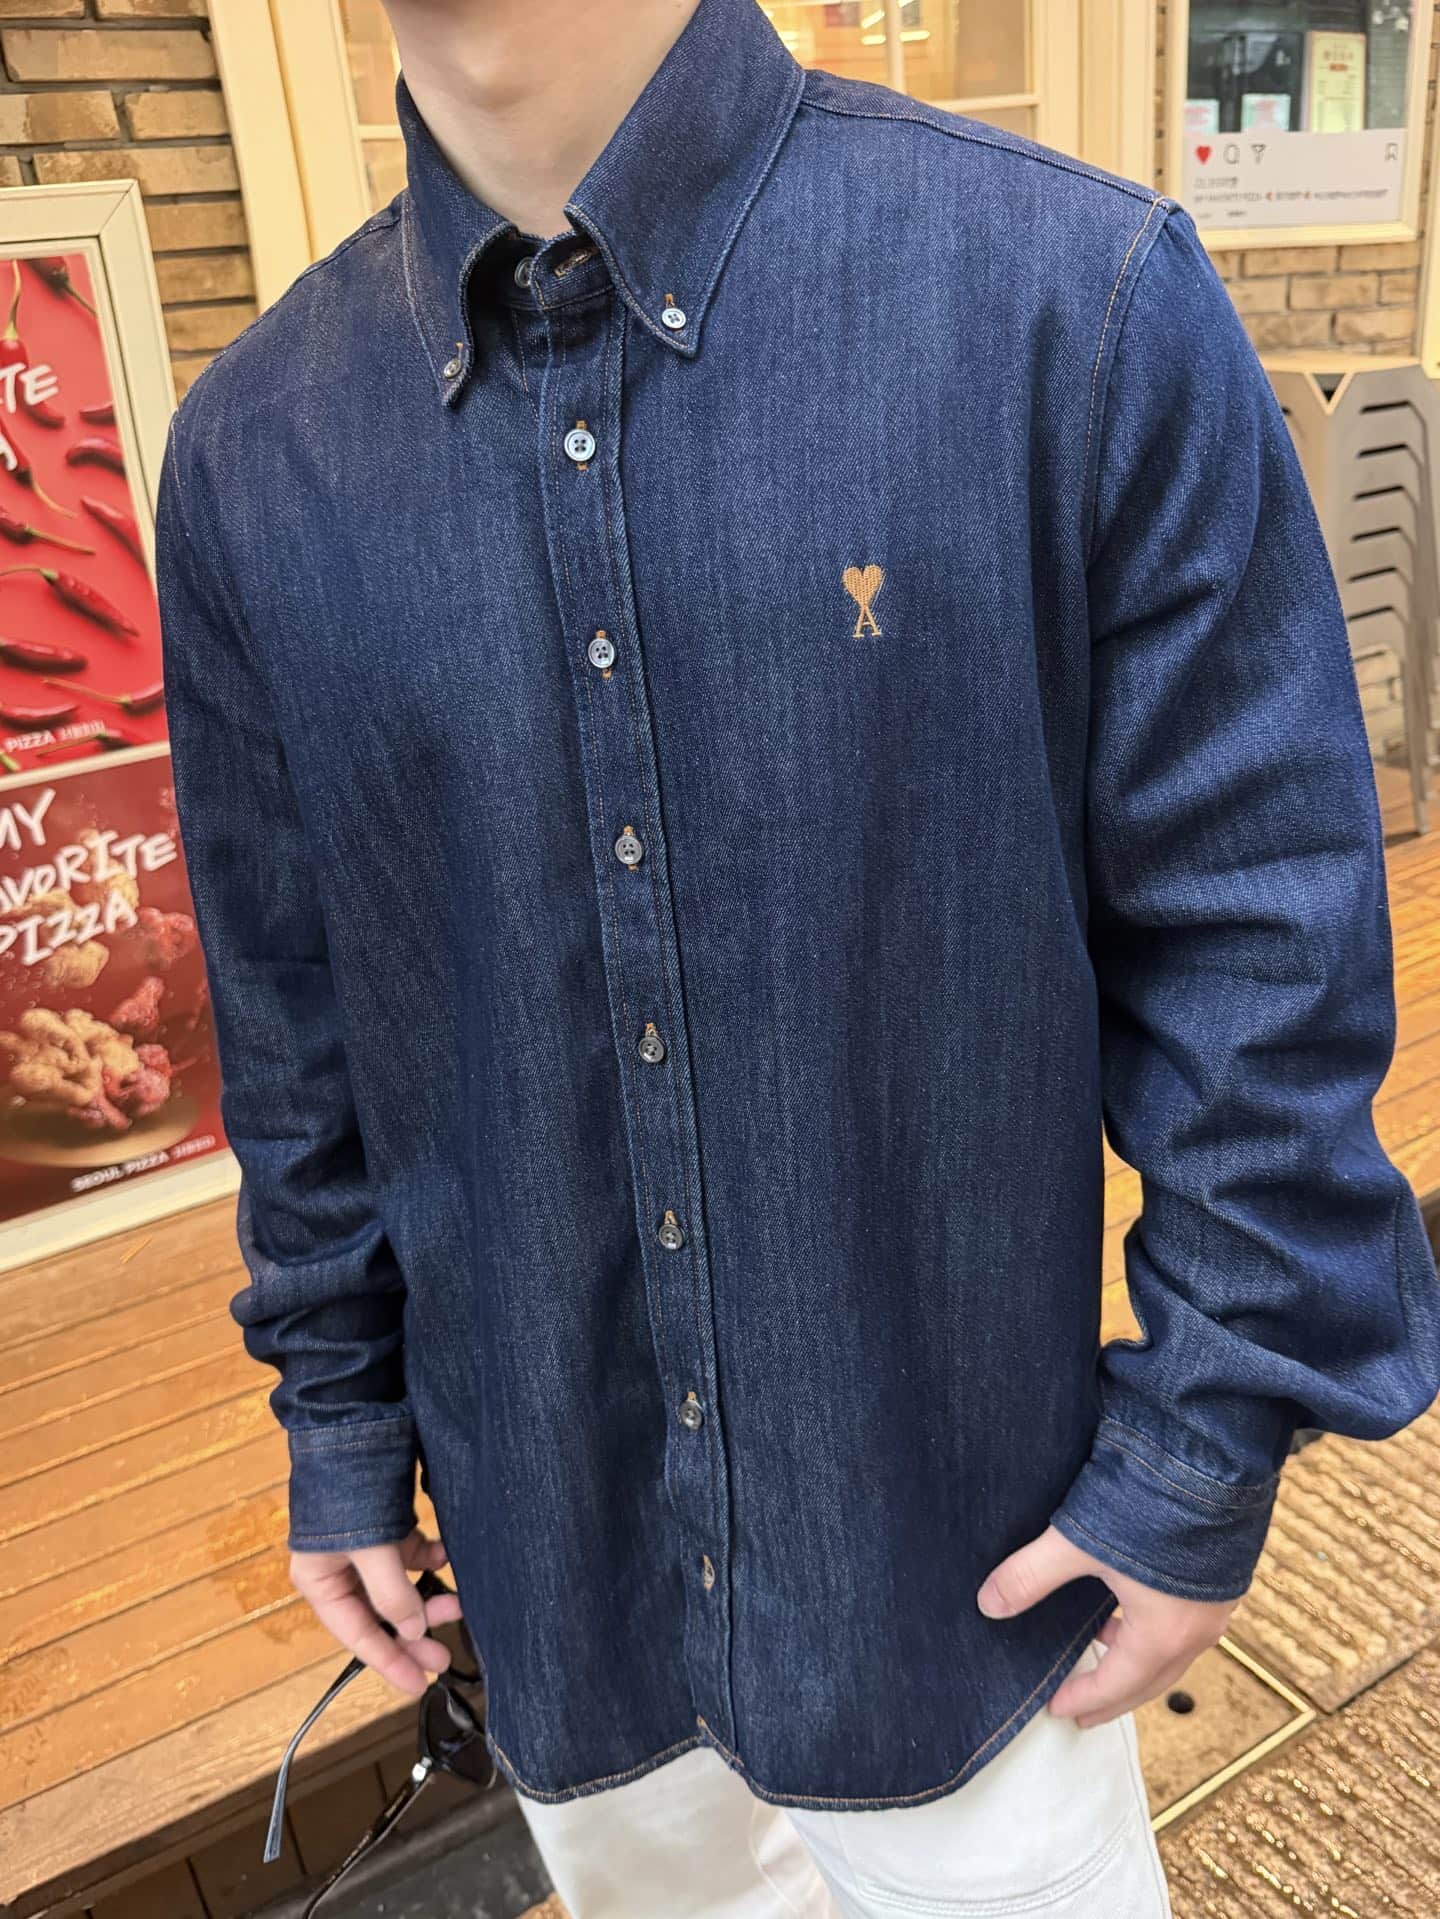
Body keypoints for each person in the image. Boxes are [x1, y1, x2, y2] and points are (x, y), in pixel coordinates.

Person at [152, 0, 1440, 1912]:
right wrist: (338, 1411)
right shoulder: (256, 456)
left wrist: (1206, 1435)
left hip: (963, 1575)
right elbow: (294, 1007)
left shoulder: (1066, 303)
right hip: (557, 1576)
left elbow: (1257, 932)